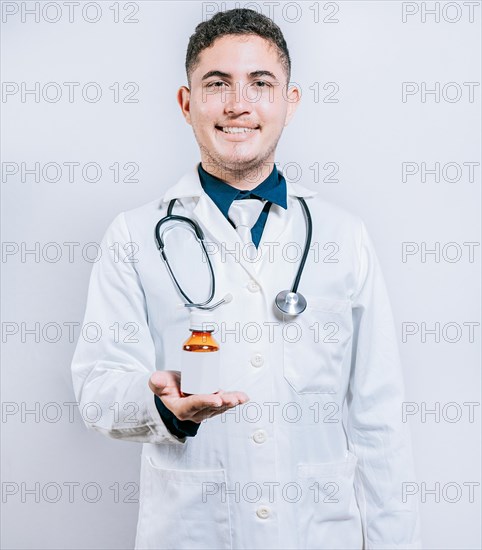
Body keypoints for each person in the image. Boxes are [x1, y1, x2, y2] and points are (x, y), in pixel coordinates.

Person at [71, 8, 421, 550]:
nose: (239, 104)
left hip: (318, 534)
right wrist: (162, 405)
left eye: (261, 84)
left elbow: (379, 419)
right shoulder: (133, 236)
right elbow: (97, 389)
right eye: (217, 85)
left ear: (290, 102)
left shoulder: (344, 236)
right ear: (187, 104)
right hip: (192, 532)